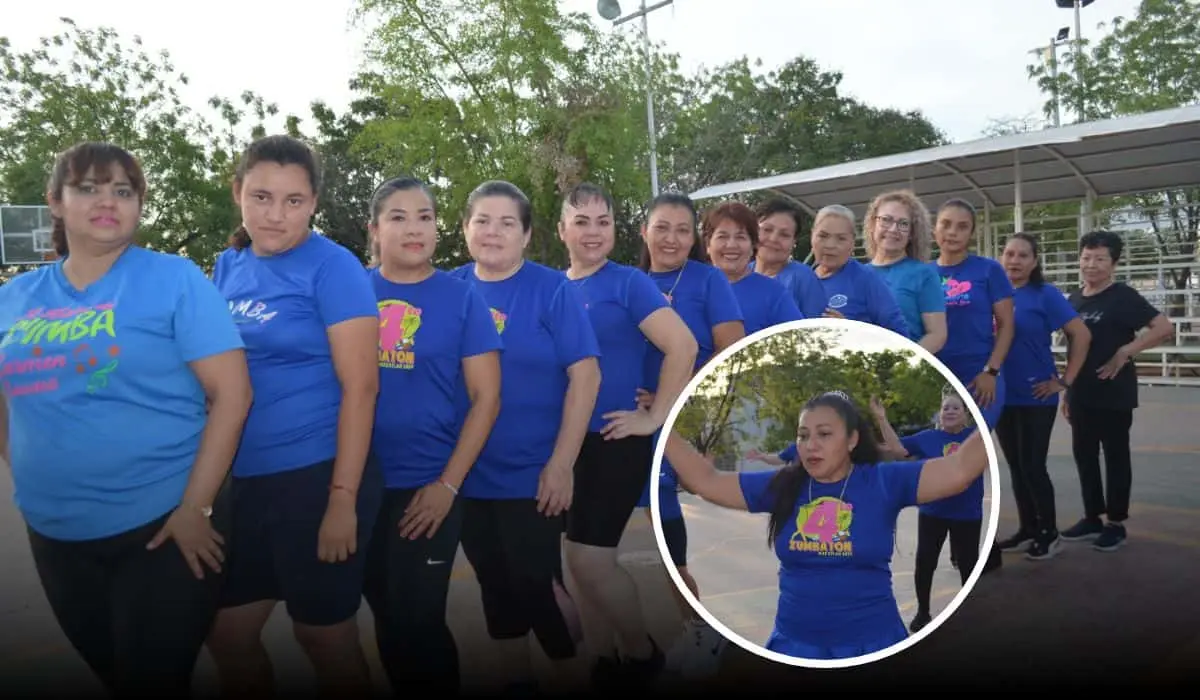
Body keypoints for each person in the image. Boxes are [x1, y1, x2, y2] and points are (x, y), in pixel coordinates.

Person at [0, 142, 253, 696]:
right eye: (87, 188)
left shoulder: (175, 279)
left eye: (123, 190)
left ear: (139, 204)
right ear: (56, 205)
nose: (106, 201)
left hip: (162, 526)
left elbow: (233, 395)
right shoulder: (15, 297)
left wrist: (197, 507)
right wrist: (28, 475)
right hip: (55, 532)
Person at [206, 135, 385, 697]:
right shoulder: (227, 265)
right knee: (227, 634)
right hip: (244, 481)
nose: (274, 214)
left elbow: (362, 388)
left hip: (316, 474)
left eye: (292, 200)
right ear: (238, 193)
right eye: (260, 197)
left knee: (323, 638)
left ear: (312, 204)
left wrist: (341, 498)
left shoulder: (334, 267)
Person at [661, 391, 992, 660]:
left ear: (851, 440)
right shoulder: (784, 485)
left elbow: (960, 469)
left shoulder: (883, 480)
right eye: (803, 436)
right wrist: (662, 422)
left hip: (874, 644)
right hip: (794, 646)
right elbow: (707, 480)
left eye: (824, 434)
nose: (810, 445)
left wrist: (995, 405)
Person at [449, 180, 603, 691]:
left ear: (527, 233)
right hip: (465, 474)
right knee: (495, 589)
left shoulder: (550, 288)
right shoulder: (449, 289)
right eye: (482, 221)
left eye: (506, 222)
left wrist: (562, 463)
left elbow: (586, 377)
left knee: (539, 587)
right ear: (465, 228)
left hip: (533, 473)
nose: (493, 232)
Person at [361, 177, 503, 694]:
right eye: (398, 217)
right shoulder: (349, 293)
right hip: (358, 487)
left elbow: (487, 399)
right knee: (387, 619)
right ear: (374, 229)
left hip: (428, 485)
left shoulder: (462, 299)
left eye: (424, 216)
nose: (414, 228)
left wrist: (447, 486)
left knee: (418, 620)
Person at [556, 183, 699, 689]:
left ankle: (641, 653)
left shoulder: (628, 284)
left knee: (590, 559)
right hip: (565, 445)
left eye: (603, 221)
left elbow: (682, 345)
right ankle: (605, 660)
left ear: (616, 230)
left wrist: (655, 417)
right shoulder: (555, 286)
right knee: (576, 557)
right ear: (562, 230)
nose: (593, 232)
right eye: (582, 221)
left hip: (616, 439)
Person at [635, 192, 745, 678]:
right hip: (631, 423)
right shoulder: (628, 280)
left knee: (671, 529)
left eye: (683, 229)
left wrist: (672, 394)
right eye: (662, 227)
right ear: (644, 231)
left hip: (680, 424)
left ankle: (704, 628)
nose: (672, 239)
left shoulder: (708, 280)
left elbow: (732, 353)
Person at [1060, 230, 1173, 552]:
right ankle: (1092, 517)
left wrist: (1127, 351)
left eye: (1099, 259)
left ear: (1113, 263)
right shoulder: (1073, 299)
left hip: (1115, 392)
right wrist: (1066, 392)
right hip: (1081, 392)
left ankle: (1116, 522)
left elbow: (1164, 327)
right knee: (1084, 456)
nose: (1091, 264)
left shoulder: (1123, 296)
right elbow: (1071, 350)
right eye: (1086, 257)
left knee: (1115, 456)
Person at [996, 233, 1091, 560]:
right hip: (1001, 395)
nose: (1015, 261)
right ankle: (1028, 528)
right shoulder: (993, 294)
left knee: (1033, 466)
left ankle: (1049, 532)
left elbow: (1081, 334)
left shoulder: (1044, 294)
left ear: (1034, 261)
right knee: (1016, 467)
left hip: (1037, 394)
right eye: (1009, 254)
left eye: (1023, 255)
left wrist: (1064, 381)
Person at [875, 394, 981, 633]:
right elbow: (897, 449)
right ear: (939, 414)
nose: (950, 412)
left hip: (967, 513)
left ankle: (971, 611)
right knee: (925, 563)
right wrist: (882, 419)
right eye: (945, 408)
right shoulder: (928, 438)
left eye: (956, 408)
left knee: (968, 566)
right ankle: (923, 612)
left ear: (966, 413)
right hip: (933, 511)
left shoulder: (975, 437)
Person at [702, 201, 805, 334]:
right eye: (723, 236)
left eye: (741, 237)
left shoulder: (774, 294)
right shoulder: (687, 286)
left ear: (753, 246)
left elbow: (799, 343)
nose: (731, 245)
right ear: (708, 244)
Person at [863, 190, 947, 353]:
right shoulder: (856, 274)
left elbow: (937, 335)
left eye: (903, 223)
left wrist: (904, 362)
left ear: (911, 234)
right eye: (886, 220)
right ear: (873, 225)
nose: (893, 229)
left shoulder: (923, 274)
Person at [808, 205, 909, 338]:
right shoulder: (801, 279)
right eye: (823, 236)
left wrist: (851, 332)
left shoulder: (867, 279)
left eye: (841, 238)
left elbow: (900, 337)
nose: (830, 245)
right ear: (812, 236)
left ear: (852, 242)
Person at [748, 199, 826, 318]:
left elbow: (816, 330)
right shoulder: (740, 274)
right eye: (767, 230)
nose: (773, 239)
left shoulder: (803, 278)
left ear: (794, 242)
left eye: (784, 235)